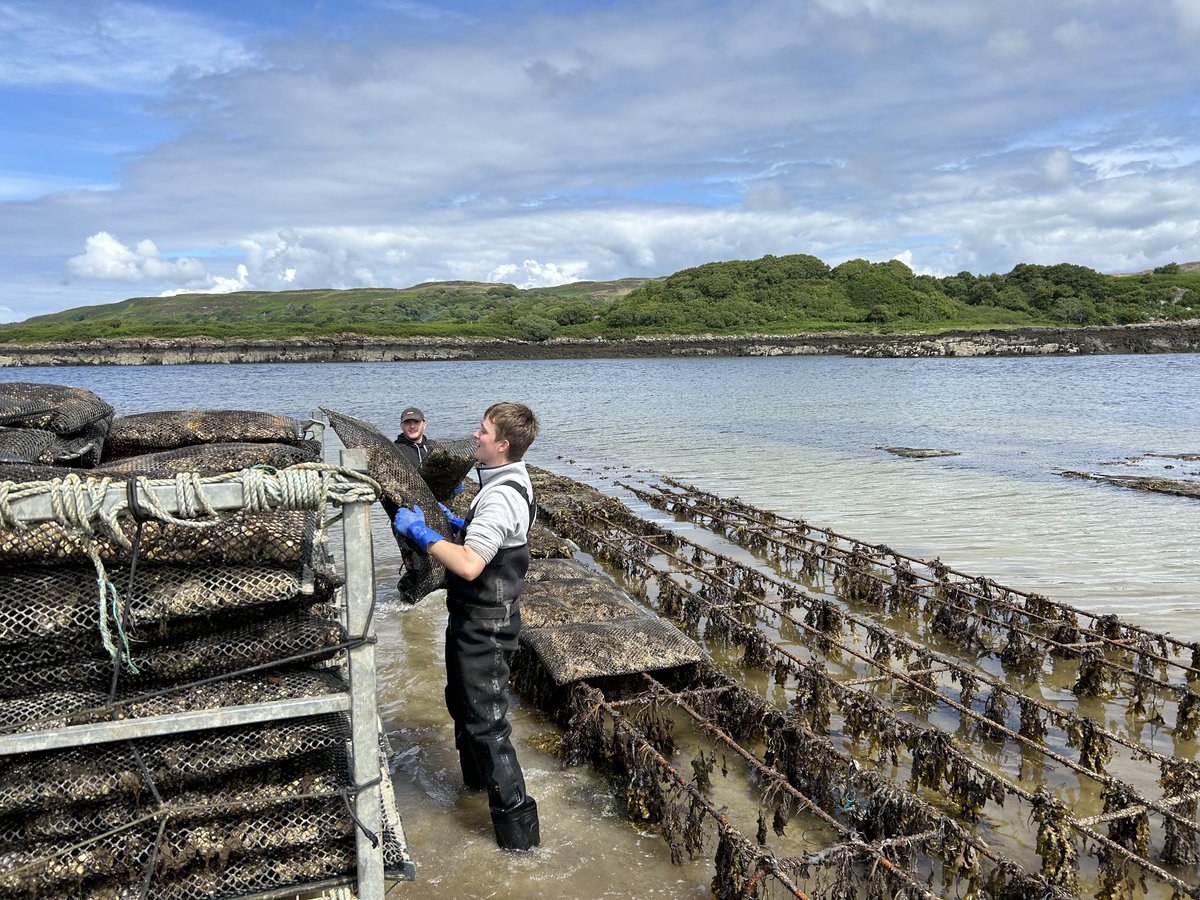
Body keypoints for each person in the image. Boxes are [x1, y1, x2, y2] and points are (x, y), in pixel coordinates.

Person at [392, 402, 541, 852]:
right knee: (463, 705)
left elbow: (472, 565)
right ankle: (475, 790)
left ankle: (520, 842)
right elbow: (496, 539)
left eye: (483, 430)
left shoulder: (499, 496)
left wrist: (425, 535)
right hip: (477, 617)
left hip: (484, 625)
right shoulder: (504, 480)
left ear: (503, 444)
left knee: (488, 725)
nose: (474, 436)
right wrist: (461, 523)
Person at [393, 406, 429, 594]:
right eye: (408, 423)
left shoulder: (433, 449)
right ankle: (409, 607)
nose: (412, 426)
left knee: (437, 558)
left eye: (416, 422)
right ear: (401, 426)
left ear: (424, 424)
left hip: (435, 513)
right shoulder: (394, 450)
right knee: (415, 562)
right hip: (407, 516)